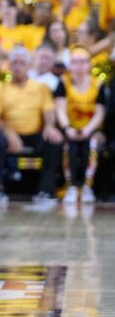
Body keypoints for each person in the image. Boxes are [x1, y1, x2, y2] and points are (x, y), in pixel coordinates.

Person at [0, 47, 64, 203]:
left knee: (53, 140)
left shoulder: (40, 88)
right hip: (8, 133)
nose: (18, 67)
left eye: (22, 63)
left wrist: (49, 126)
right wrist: (10, 134)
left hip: (34, 133)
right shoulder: (1, 89)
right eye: (14, 63)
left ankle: (46, 190)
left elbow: (49, 111)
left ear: (28, 66)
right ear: (9, 66)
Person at [54, 47, 104, 204]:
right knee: (68, 146)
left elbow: (100, 113)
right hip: (69, 127)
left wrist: (88, 130)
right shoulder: (63, 82)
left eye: (82, 62)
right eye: (75, 62)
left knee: (93, 145)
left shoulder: (98, 84)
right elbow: (60, 109)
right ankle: (71, 187)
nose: (79, 66)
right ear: (70, 65)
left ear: (89, 64)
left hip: (92, 129)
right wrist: (68, 128)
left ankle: (87, 187)